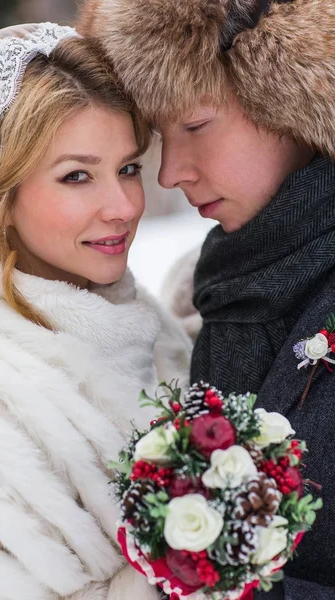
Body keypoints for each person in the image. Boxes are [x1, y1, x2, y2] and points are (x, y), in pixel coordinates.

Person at [77, 1, 335, 598]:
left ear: (291, 99)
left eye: (194, 125)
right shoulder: (203, 297)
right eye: (158, 141)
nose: (169, 174)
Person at [0, 22, 192, 600]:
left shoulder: (153, 324)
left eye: (128, 168)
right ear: (0, 194)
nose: (124, 206)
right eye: (77, 175)